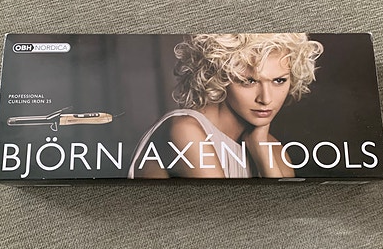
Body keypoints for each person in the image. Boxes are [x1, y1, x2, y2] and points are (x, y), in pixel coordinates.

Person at [128, 34, 323, 179]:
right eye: (249, 81)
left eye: (279, 80)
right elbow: (226, 215)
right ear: (220, 77)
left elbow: (284, 217)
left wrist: (261, 149)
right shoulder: (184, 130)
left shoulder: (276, 151)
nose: (266, 99)